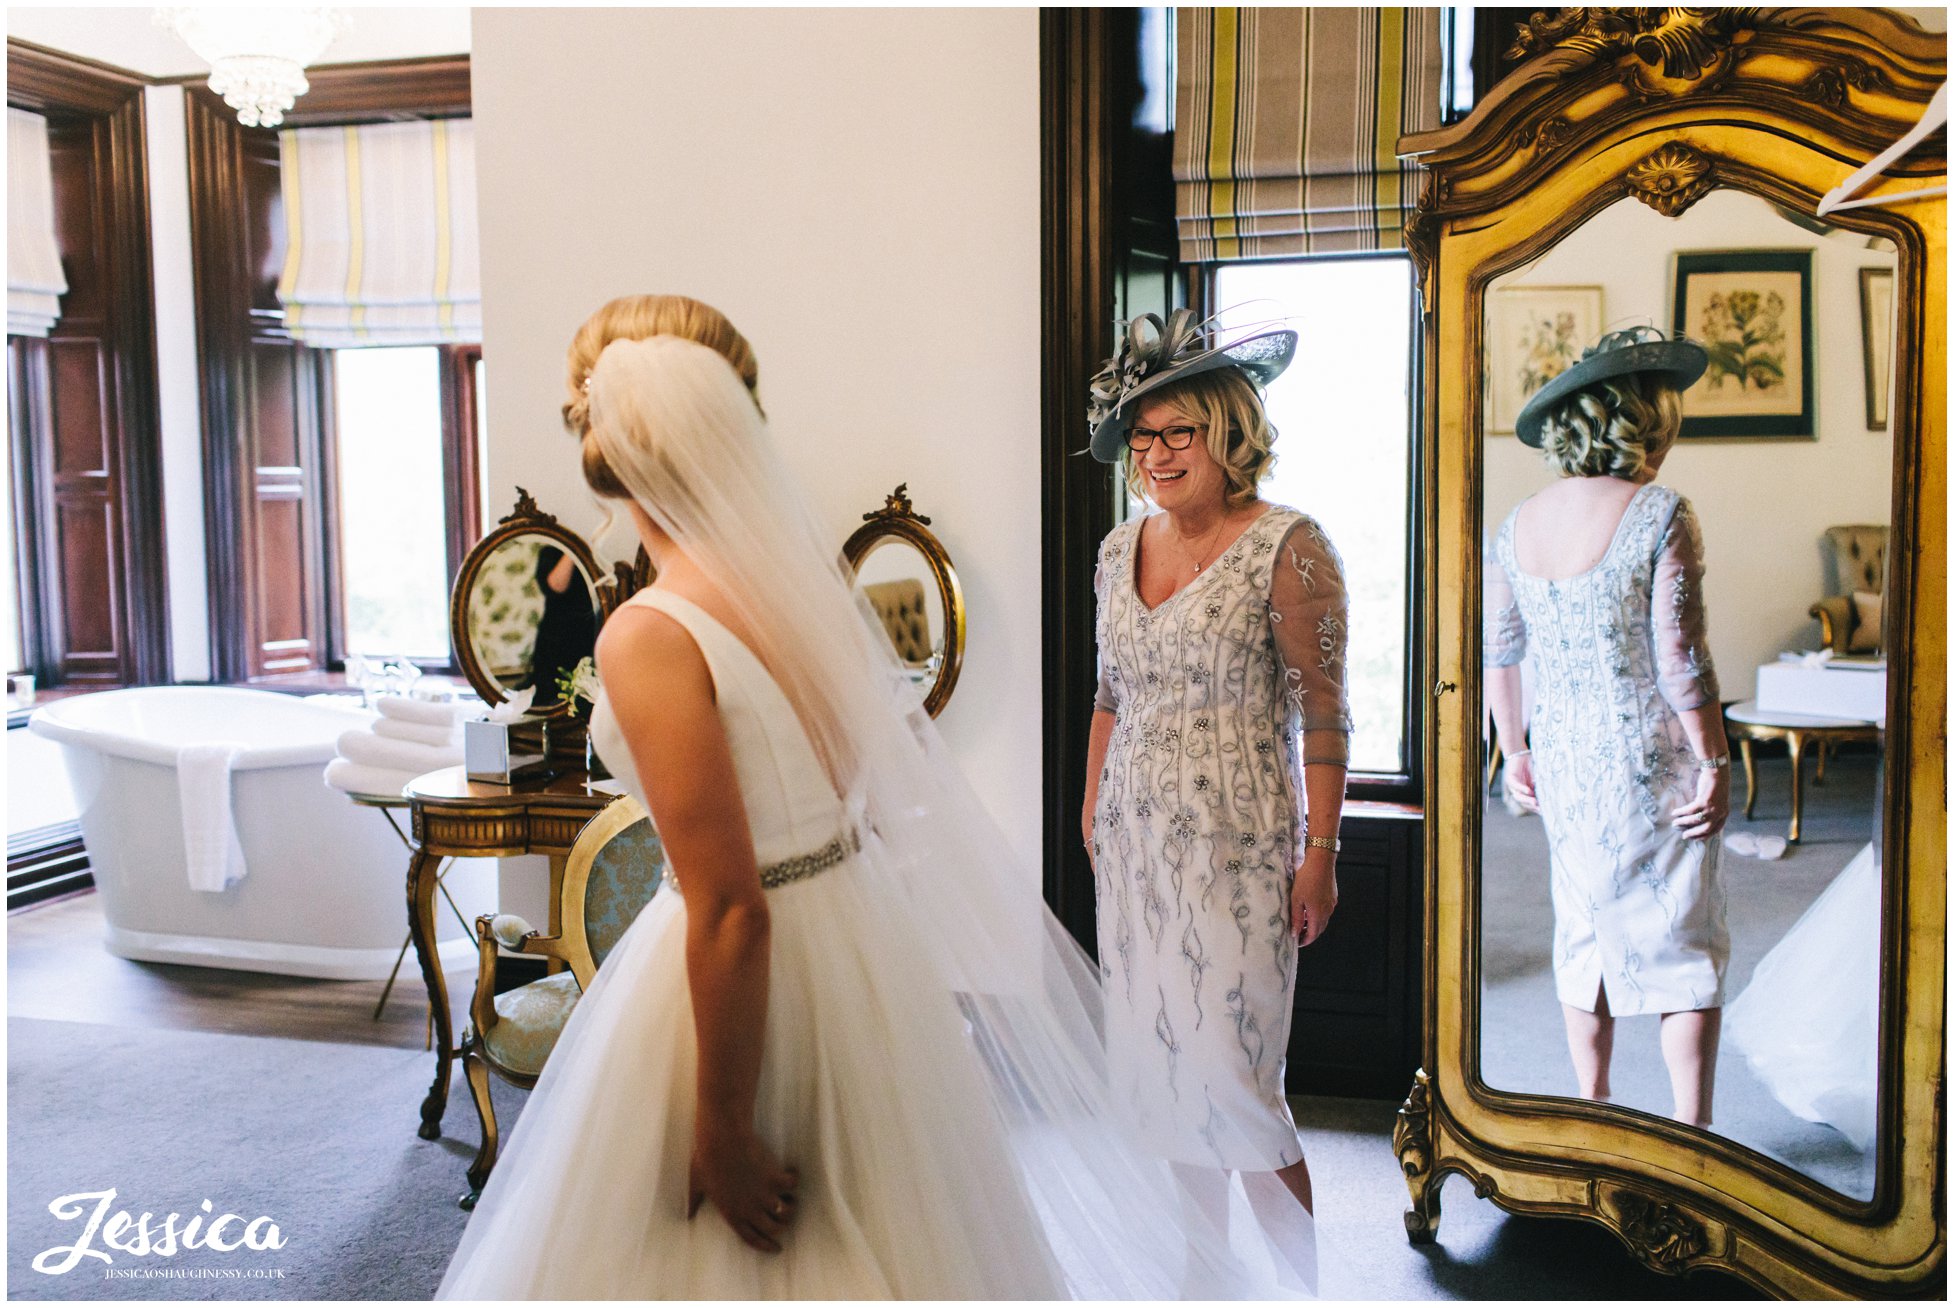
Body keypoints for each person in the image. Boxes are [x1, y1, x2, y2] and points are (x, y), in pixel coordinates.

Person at [436, 297, 1316, 1299]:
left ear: (613, 469)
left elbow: (727, 907)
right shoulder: (797, 591)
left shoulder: (648, 633)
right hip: (856, 946)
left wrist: (720, 1128)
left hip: (745, 960)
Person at [1081, 309, 1350, 1242]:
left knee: (1237, 1086)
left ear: (1227, 433)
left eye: (1177, 431)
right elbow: (1109, 694)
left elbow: (1323, 710)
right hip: (1135, 850)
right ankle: (1207, 1281)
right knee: (1164, 1084)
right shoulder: (1119, 549)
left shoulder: (1290, 547)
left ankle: (1293, 1292)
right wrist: (1092, 819)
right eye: (1141, 434)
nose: (1155, 453)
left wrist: (1321, 852)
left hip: (1240, 853)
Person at [1484, 326, 1732, 1127]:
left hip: (1564, 757)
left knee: (1583, 925)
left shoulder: (1518, 522)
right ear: (1642, 423)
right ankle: (1693, 1130)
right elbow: (1681, 659)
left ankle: (1592, 1111)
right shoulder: (1661, 512)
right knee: (1681, 937)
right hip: (1652, 759)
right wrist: (1717, 763)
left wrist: (1513, 749)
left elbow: (1501, 651)